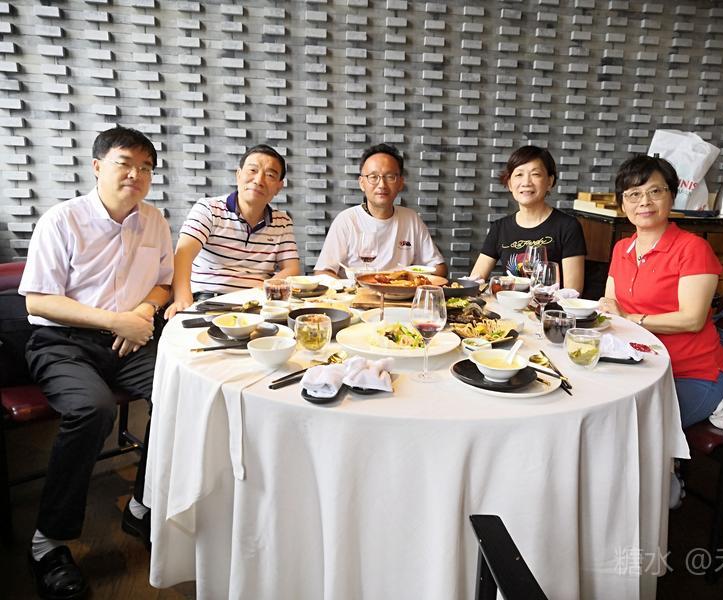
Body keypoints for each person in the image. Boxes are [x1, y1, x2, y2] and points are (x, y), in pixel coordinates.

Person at [18, 126, 174, 599]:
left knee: (182, 394)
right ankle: (47, 542)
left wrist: (142, 313)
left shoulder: (154, 220)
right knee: (93, 408)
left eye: (145, 167)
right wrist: (115, 320)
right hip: (63, 341)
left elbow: (164, 283)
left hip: (129, 340)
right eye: (125, 163)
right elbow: (38, 300)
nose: (135, 174)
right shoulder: (62, 220)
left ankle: (142, 507)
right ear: (97, 166)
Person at [598, 155, 723, 428]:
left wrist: (630, 318)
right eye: (634, 194)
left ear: (672, 196)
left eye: (655, 191)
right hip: (636, 366)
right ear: (622, 204)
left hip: (689, 374)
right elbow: (610, 306)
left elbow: (692, 320)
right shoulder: (622, 248)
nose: (644, 202)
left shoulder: (692, 249)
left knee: (621, 428)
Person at [164, 144, 300, 318]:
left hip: (256, 306)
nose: (259, 180)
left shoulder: (282, 222)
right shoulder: (209, 209)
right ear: (238, 175)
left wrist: (262, 289)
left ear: (278, 187)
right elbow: (183, 254)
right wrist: (182, 298)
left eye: (270, 175)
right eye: (252, 170)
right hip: (208, 301)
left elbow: (292, 268)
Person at [313, 143, 447, 278]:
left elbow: (439, 268)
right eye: (373, 177)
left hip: (401, 290)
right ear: (362, 183)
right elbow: (323, 271)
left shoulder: (411, 219)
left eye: (390, 177)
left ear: (400, 183)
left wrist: (407, 279)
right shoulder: (347, 220)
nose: (382, 185)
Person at [468, 145, 586, 292]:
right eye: (519, 174)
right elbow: (475, 280)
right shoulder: (500, 228)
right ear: (510, 184)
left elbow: (573, 291)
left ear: (549, 182)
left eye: (535, 174)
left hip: (548, 305)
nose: (526, 182)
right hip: (508, 305)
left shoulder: (568, 226)